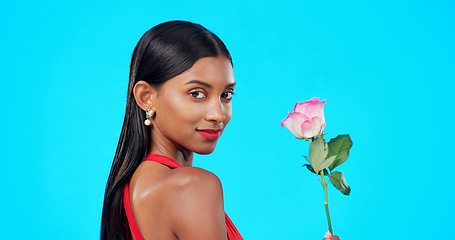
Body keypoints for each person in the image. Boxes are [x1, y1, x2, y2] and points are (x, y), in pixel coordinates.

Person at [101, 20, 340, 240]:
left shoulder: (133, 186)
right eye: (197, 94)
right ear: (146, 97)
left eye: (226, 95)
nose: (217, 114)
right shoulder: (193, 186)